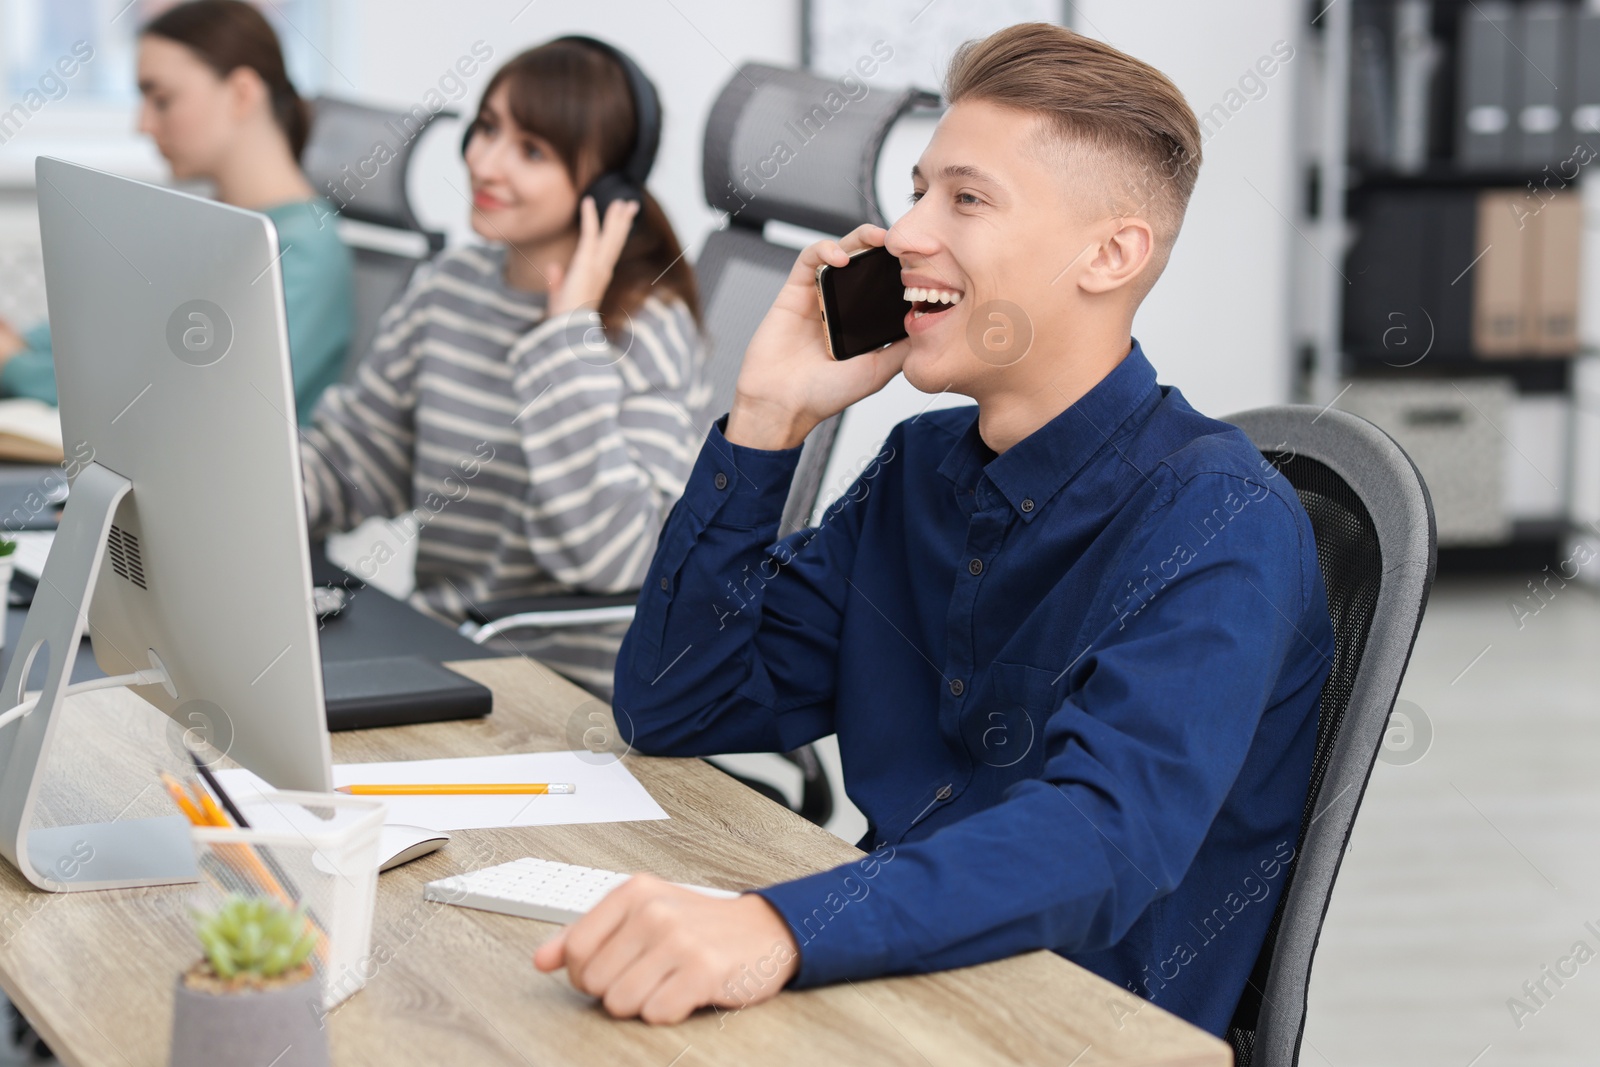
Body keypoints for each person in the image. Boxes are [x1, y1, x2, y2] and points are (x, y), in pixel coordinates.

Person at [535, 22, 1335, 1035]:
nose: (903, 231)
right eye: (916, 189)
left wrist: (776, 927)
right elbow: (676, 704)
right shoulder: (919, 469)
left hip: (1057, 1026)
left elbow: (1101, 839)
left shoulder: (1221, 520)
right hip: (883, 980)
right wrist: (767, 420)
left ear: (1110, 253)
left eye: (964, 197)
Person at [299, 39, 708, 700]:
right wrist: (226, 493)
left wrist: (566, 333)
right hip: (441, 655)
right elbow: (354, 465)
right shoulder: (449, 287)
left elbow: (610, 555)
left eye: (532, 150)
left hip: (574, 695)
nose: (484, 163)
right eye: (486, 128)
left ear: (606, 187)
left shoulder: (647, 329)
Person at [0, 0, 351, 424]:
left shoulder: (304, 249)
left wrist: (17, 365)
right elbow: (108, 332)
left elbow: (178, 403)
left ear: (242, 94)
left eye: (162, 99)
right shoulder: (201, 225)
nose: (143, 124)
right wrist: (22, 347)